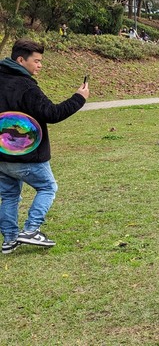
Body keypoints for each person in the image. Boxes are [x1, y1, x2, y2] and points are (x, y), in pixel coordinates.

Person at [0, 39, 89, 254]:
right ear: (21, 60)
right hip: (27, 156)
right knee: (48, 187)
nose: (40, 65)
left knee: (10, 195)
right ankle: (31, 230)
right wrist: (79, 98)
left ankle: (9, 240)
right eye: (36, 61)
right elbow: (52, 113)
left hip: (3, 156)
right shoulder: (26, 86)